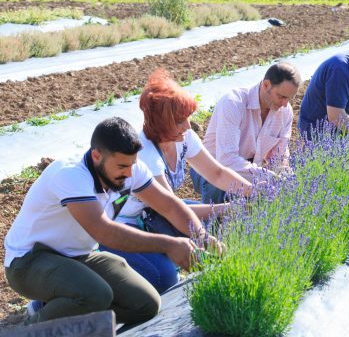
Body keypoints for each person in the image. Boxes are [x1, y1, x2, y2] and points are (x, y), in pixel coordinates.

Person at [4, 118, 215, 325]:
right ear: (97, 155)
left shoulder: (130, 168)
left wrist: (202, 236)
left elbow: (169, 205)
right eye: (122, 166)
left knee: (145, 304)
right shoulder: (70, 174)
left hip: (78, 256)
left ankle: (64, 313)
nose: (130, 173)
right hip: (29, 261)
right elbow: (103, 231)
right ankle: (33, 329)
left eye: (132, 164)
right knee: (95, 294)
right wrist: (170, 245)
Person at [101, 69, 252, 293]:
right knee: (165, 279)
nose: (188, 126)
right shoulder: (144, 154)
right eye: (180, 121)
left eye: (188, 118)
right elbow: (170, 209)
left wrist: (253, 192)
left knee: (220, 225)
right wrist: (226, 208)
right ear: (161, 123)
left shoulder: (183, 138)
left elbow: (217, 173)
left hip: (155, 216)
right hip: (124, 225)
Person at [192, 62, 301, 204]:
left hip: (250, 168)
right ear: (266, 85)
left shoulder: (285, 112)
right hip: (211, 167)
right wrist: (269, 178)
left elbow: (280, 158)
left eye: (289, 98)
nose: (285, 104)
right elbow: (226, 161)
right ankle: (211, 224)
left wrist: (285, 177)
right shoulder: (233, 103)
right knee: (221, 189)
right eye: (281, 96)